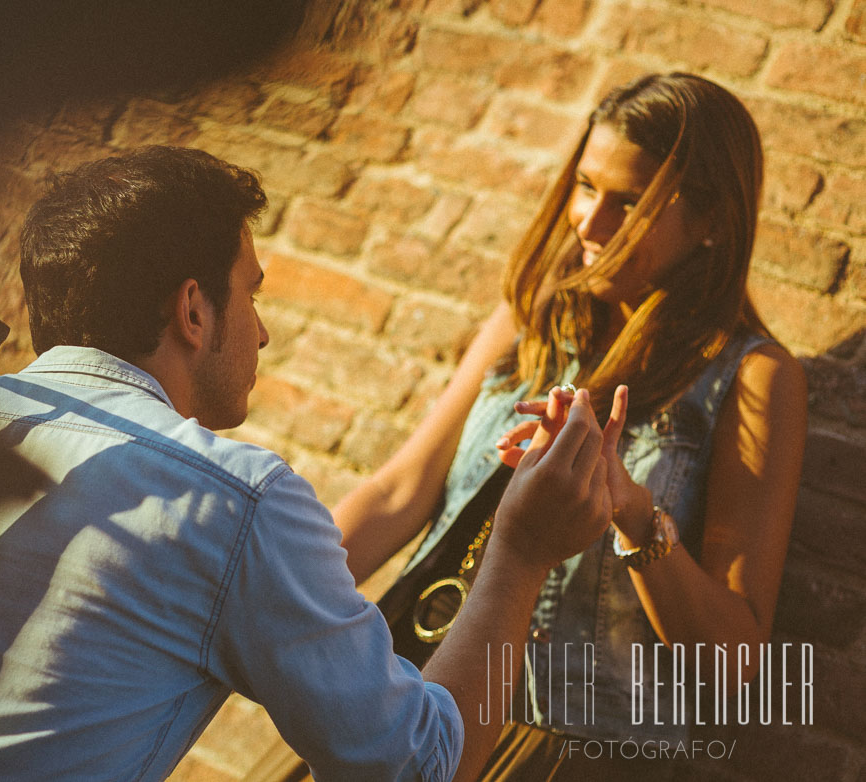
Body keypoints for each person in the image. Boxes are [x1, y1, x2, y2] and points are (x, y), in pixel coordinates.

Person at [0, 145, 618, 782]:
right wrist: (521, 557)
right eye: (252, 292)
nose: (263, 330)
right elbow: (421, 763)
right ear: (192, 309)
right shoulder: (231, 499)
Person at [334, 73, 808, 780]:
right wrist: (261, 595)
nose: (588, 223)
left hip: (562, 750)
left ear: (711, 219)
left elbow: (733, 660)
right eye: (585, 187)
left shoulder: (751, 377)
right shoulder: (529, 319)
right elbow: (400, 491)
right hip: (413, 700)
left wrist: (630, 510)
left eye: (630, 203)